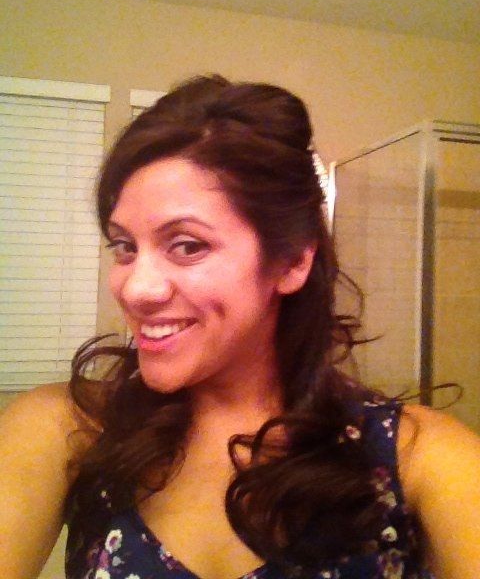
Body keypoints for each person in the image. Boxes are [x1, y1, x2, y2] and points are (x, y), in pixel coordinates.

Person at [1, 75, 479, 579]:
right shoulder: (65, 430)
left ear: (291, 261)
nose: (135, 289)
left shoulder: (421, 457)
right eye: (125, 246)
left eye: (188, 245)